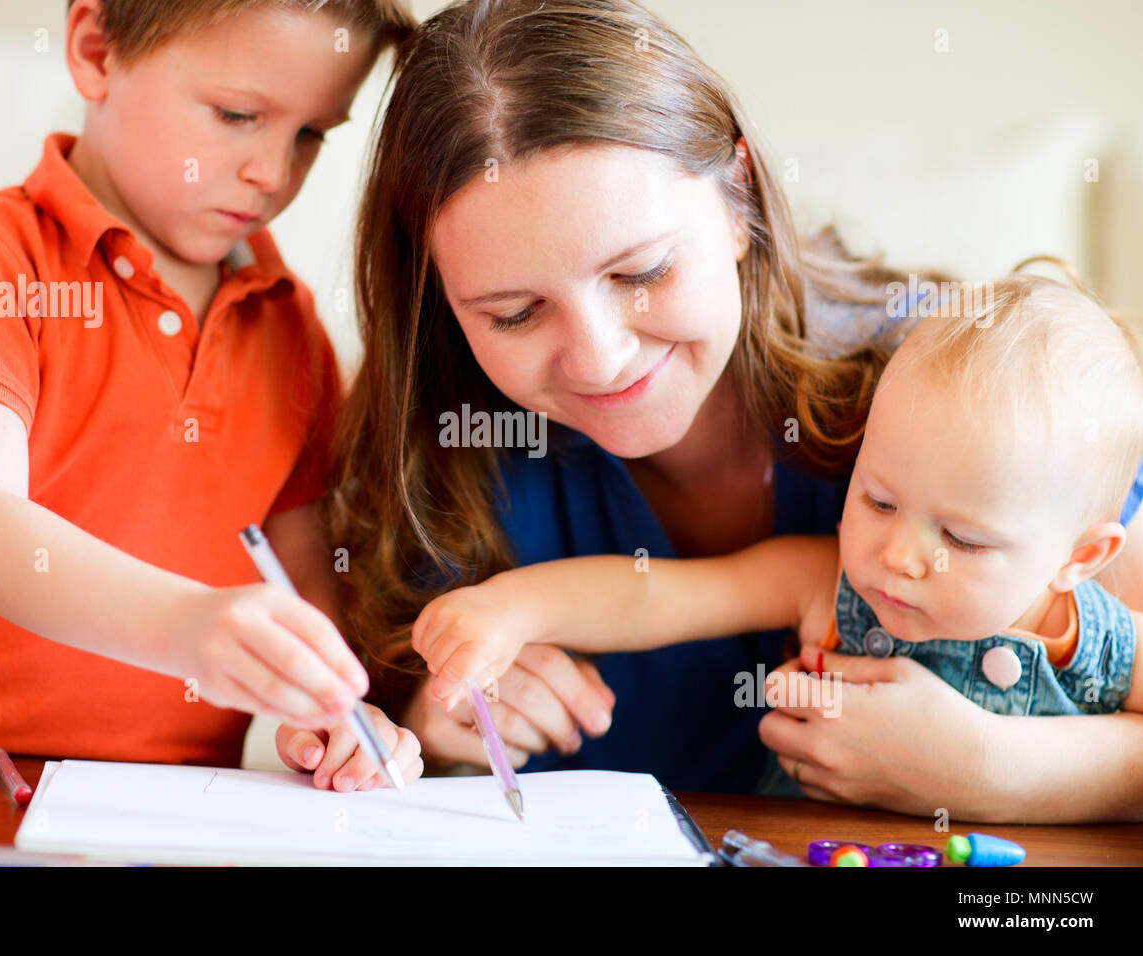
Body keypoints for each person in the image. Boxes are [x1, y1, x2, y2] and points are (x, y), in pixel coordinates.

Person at [319, 0, 1143, 820]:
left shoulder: (962, 403)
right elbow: (376, 742)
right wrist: (428, 729)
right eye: (514, 313)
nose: (601, 358)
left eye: (641, 272)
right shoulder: (444, 458)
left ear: (738, 196)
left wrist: (991, 768)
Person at [0, 0, 421, 793]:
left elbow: (308, 598)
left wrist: (334, 708)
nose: (274, 172)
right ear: (95, 51)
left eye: (311, 134)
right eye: (237, 114)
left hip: (167, 807)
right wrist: (184, 628)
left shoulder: (293, 331)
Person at [411, 273, 1143, 784]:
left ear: (1081, 558)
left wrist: (997, 770)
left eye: (964, 540)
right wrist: (507, 608)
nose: (898, 555)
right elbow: (654, 597)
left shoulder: (1103, 646)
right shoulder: (825, 585)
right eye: (880, 502)